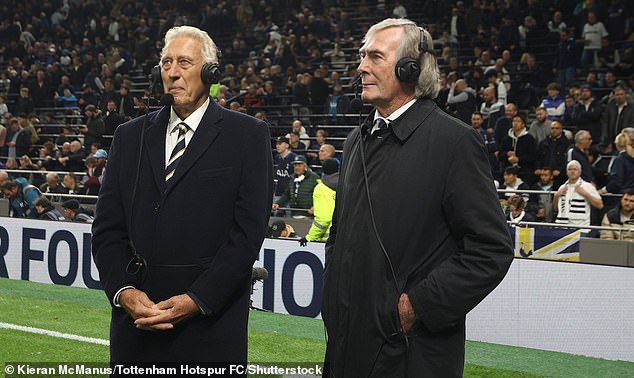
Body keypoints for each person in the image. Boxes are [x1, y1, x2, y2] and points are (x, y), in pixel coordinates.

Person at [322, 19, 513, 377]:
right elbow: (339, 231)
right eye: (362, 56)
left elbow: (491, 249)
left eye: (375, 57)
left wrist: (417, 307)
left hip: (412, 355)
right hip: (347, 344)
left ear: (410, 69)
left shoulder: (454, 142)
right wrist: (332, 299)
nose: (361, 66)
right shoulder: (356, 139)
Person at [91, 25, 272, 364]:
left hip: (209, 331)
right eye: (166, 62)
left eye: (184, 62)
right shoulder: (129, 137)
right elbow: (106, 230)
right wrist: (124, 292)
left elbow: (246, 237)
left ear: (210, 72)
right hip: (136, 330)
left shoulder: (247, 135)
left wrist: (196, 299)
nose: (172, 72)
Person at [554, 160, 603, 231]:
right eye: (570, 169)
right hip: (562, 227)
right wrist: (556, 196)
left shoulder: (587, 186)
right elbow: (556, 209)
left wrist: (585, 194)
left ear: (579, 172)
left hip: (581, 228)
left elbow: (600, 205)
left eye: (575, 169)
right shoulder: (562, 187)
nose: (572, 171)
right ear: (566, 172)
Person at [299, 159, 338, 245]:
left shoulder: (321, 188)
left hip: (329, 240)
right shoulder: (347, 184)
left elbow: (324, 219)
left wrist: (309, 237)